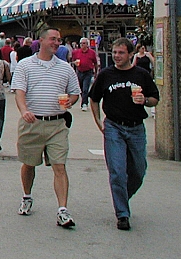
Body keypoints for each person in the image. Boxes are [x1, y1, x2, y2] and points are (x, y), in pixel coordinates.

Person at [11, 27, 80, 229]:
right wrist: (24, 110)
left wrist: (70, 102)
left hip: (57, 124)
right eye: (53, 39)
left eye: (59, 40)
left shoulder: (65, 68)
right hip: (32, 123)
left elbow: (75, 92)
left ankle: (62, 210)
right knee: (29, 163)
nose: (57, 43)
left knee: (59, 166)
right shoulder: (25, 65)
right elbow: (19, 92)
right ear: (40, 41)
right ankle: (27, 196)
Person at [89, 37, 160, 230]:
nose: (116, 56)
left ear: (130, 54)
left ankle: (123, 196)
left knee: (138, 170)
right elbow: (94, 98)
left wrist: (144, 100)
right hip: (114, 127)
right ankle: (122, 214)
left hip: (136, 127)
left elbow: (155, 98)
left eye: (121, 53)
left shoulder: (141, 75)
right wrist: (98, 121)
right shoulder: (106, 75)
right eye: (114, 53)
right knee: (117, 172)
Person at [71, 38, 99, 109]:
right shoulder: (76, 52)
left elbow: (95, 63)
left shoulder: (92, 52)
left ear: (87, 44)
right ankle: (84, 99)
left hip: (88, 72)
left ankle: (84, 103)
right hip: (79, 71)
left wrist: (96, 72)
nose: (82, 45)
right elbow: (73, 61)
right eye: (81, 43)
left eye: (84, 43)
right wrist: (74, 64)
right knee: (80, 88)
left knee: (85, 89)